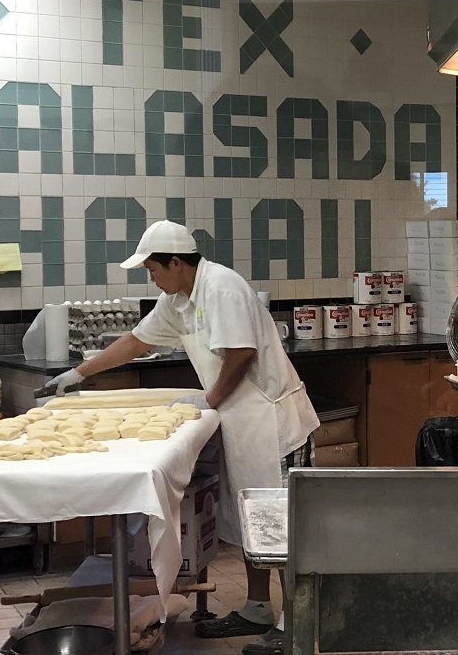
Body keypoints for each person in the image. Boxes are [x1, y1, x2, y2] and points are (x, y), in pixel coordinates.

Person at [49, 220, 319, 655]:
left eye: (153, 269)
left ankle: (296, 624)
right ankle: (257, 608)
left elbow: (241, 353)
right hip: (239, 424)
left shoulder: (221, 287)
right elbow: (136, 341)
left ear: (176, 262)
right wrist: (79, 373)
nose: (151, 277)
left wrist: (207, 400)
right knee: (249, 522)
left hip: (272, 425)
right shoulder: (177, 300)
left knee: (280, 527)